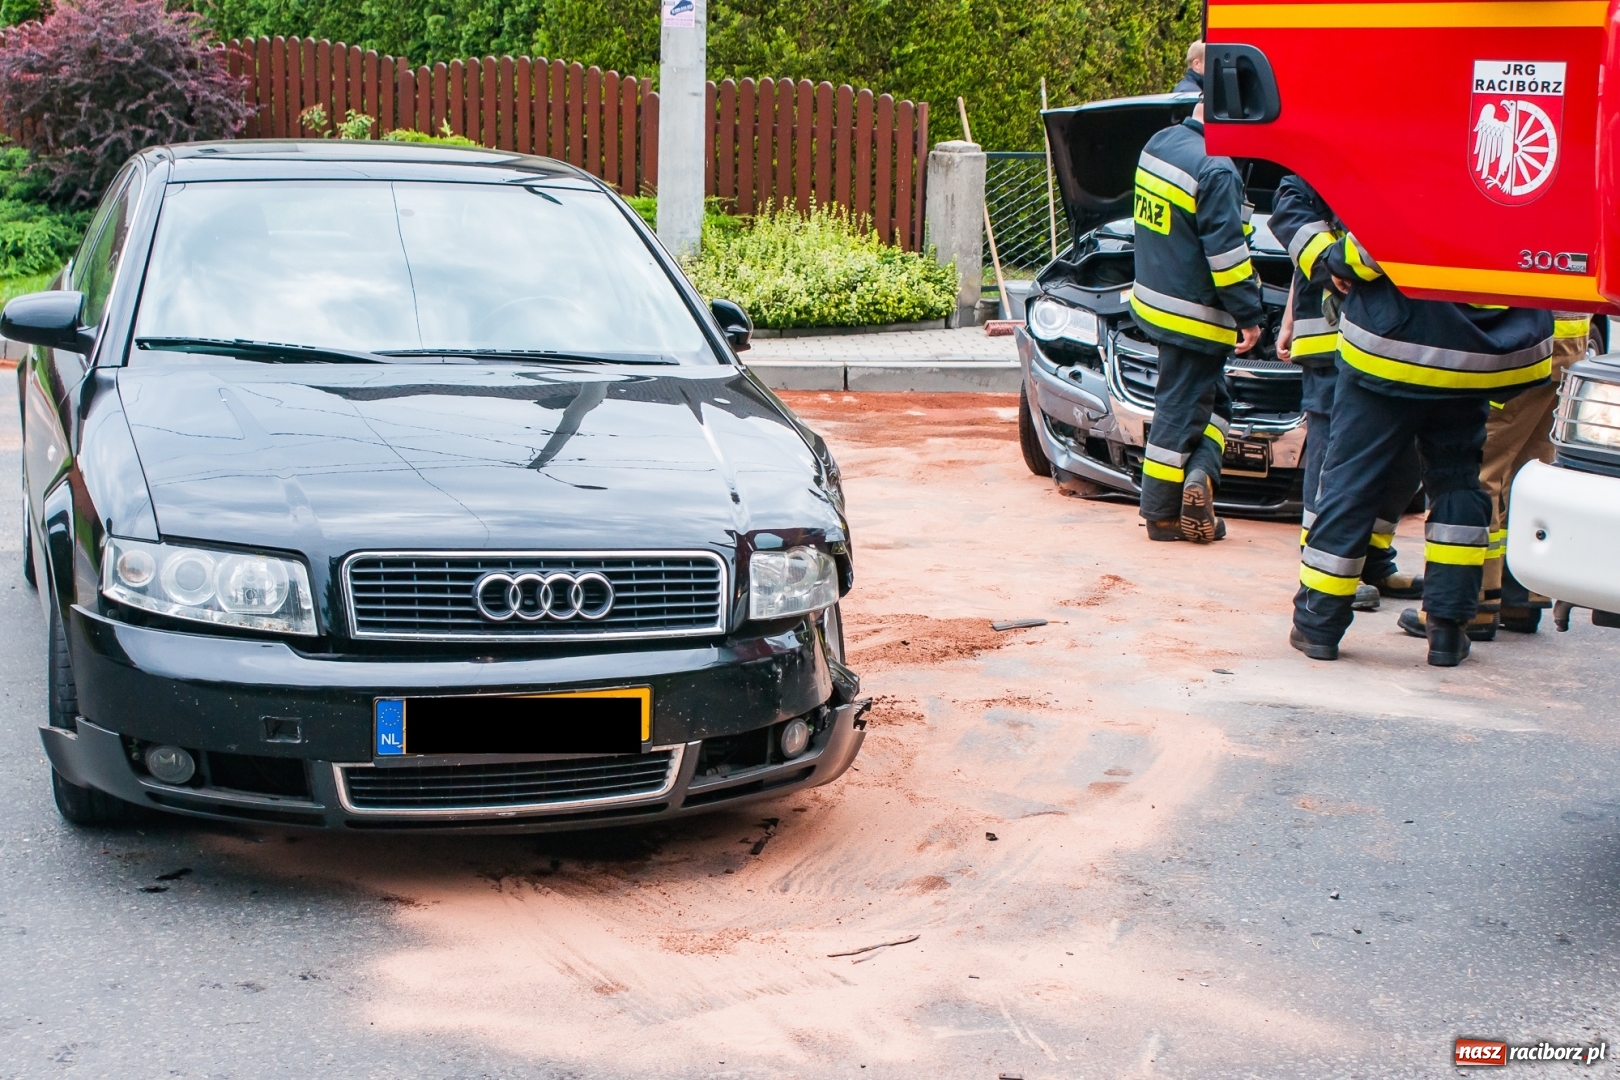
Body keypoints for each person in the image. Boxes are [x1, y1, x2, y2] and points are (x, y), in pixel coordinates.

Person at [1290, 232, 1553, 666]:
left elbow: (1380, 236)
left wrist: (1336, 260)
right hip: (1472, 358)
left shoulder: (1429, 162)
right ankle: (1448, 629)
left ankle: (1320, 623)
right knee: (1458, 483)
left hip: (1391, 348)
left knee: (1351, 482)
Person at [1269, 174, 1424, 613]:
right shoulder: (1310, 171)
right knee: (1331, 459)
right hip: (1330, 340)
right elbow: (1296, 222)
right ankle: (1324, 568)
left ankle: (1371, 559)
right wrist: (1331, 268)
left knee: (1404, 460)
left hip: (1392, 340)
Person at [1395, 310, 1593, 638]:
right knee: (1529, 474)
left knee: (1477, 471)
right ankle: (1522, 597)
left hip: (1520, 342)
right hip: (1566, 342)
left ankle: (1473, 603)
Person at [1129, 100, 1263, 542]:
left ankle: (1200, 477)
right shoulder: (1218, 170)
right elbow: (1227, 259)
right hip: (1197, 316)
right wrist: (1249, 316)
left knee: (1214, 405)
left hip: (1156, 303)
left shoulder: (1158, 143)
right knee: (1178, 412)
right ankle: (1162, 515)